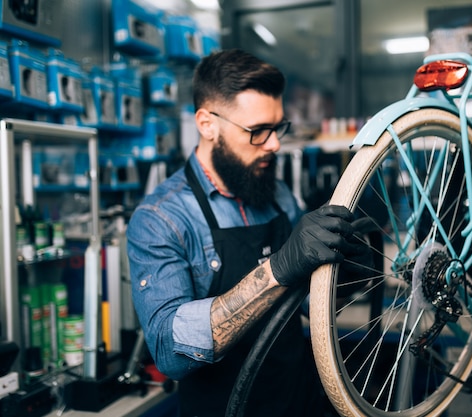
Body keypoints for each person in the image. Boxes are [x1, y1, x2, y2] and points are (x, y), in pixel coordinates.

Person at [126, 49, 371, 417]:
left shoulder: (277, 196)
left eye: (278, 127)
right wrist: (277, 269)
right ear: (207, 124)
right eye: (258, 131)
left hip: (296, 400)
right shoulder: (161, 219)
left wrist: (343, 280)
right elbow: (168, 349)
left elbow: (303, 305)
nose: (274, 144)